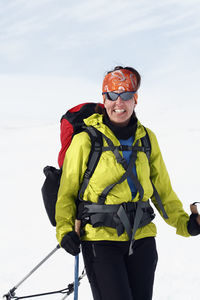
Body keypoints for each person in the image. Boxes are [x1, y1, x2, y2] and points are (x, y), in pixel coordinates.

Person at [55, 66, 200, 300]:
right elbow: (67, 193)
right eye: (112, 95)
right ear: (104, 98)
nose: (118, 102)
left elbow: (162, 191)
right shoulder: (85, 141)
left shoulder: (146, 138)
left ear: (135, 99)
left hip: (142, 240)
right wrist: (64, 231)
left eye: (125, 95)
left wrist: (184, 223)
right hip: (100, 241)